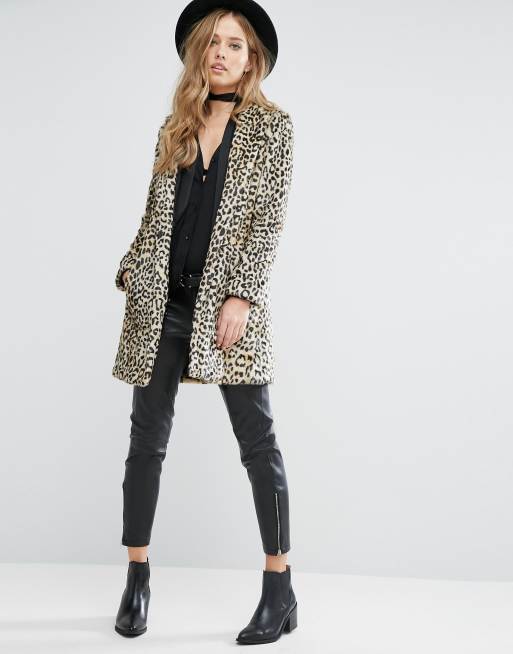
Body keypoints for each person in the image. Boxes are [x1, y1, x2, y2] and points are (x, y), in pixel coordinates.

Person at [113, 0, 296, 644]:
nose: (221, 53)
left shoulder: (273, 128)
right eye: (212, 42)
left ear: (252, 59)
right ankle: (137, 578)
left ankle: (279, 587)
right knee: (146, 442)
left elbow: (267, 220)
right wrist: (132, 269)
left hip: (227, 309)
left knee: (258, 443)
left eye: (234, 44)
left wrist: (241, 296)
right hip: (162, 304)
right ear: (198, 52)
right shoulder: (176, 124)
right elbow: (153, 213)